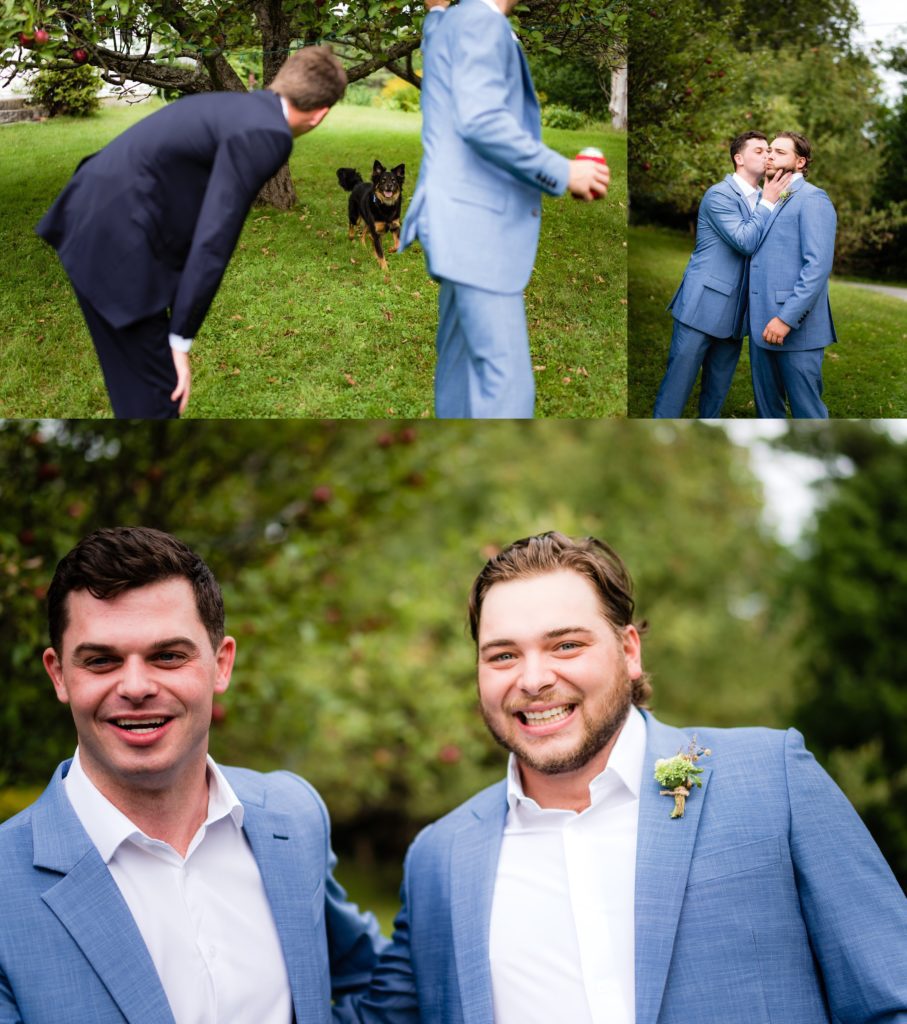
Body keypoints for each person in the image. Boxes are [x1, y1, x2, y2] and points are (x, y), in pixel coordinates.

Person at [340, 532, 907, 1024]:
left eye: (566, 645)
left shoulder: (770, 779)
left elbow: (892, 997)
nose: (534, 679)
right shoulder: (439, 858)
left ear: (628, 650)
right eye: (503, 656)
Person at [0, 527, 385, 1023]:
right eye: (101, 661)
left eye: (168, 656)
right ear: (59, 675)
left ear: (221, 664)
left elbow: (374, 981)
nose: (136, 687)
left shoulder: (292, 816)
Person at [36, 47, 347, 419]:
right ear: (320, 114)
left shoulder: (239, 108)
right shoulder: (268, 133)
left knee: (137, 388)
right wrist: (180, 340)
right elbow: (215, 237)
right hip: (118, 241)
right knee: (158, 397)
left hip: (89, 216)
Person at [399, 0, 610, 419]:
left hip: (451, 222)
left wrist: (436, 11)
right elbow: (482, 120)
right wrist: (563, 171)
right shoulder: (482, 21)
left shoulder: (452, 22)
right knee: (506, 387)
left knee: (459, 376)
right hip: (478, 231)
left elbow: (438, 41)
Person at [653, 131, 792, 418]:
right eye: (758, 150)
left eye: (769, 150)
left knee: (716, 394)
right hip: (701, 307)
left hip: (737, 315)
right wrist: (767, 202)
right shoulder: (719, 194)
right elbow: (745, 241)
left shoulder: (769, 199)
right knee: (677, 387)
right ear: (738, 158)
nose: (767, 155)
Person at [748, 132, 837, 418]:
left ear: (800, 162)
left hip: (796, 329)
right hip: (759, 324)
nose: (770, 156)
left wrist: (786, 319)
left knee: (807, 413)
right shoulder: (765, 197)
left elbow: (817, 267)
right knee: (767, 413)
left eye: (780, 152)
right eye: (769, 150)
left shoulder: (813, 199)